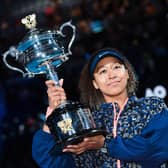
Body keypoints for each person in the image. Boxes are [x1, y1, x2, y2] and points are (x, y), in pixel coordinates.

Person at [32, 48, 168, 168]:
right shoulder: (87, 123)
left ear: (127, 74)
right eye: (103, 71)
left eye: (116, 67)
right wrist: (53, 114)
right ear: (95, 83)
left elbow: (159, 149)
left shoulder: (151, 106)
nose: (111, 75)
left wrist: (105, 144)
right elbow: (51, 162)